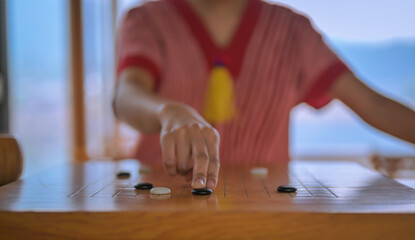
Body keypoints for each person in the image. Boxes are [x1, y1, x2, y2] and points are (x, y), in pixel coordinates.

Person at [113, 0, 415, 191]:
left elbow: (372, 104)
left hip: (268, 208)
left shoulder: (291, 30)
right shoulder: (146, 18)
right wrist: (169, 111)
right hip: (159, 203)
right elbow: (126, 95)